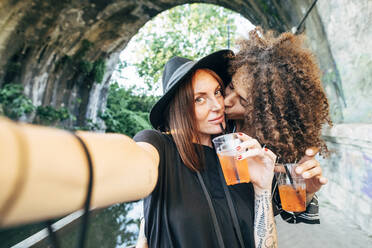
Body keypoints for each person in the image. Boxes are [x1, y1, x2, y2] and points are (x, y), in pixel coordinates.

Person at [0, 50, 278, 248]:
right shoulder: (159, 147)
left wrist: (263, 189)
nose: (218, 105)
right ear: (179, 109)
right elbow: (134, 163)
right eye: (199, 99)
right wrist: (24, 159)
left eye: (217, 92)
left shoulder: (238, 156)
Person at [224, 27, 331, 223]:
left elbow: (292, 214)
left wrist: (305, 194)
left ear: (265, 112)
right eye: (231, 86)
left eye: (243, 101)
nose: (226, 101)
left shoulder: (282, 147)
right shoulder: (215, 126)